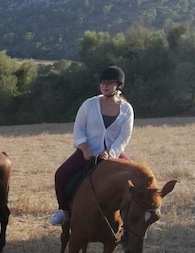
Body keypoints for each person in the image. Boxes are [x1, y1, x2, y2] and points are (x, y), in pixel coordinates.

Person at [48, 65, 134, 226]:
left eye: (109, 83)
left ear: (118, 86)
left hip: (113, 153)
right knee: (60, 175)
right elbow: (79, 129)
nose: (105, 86)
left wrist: (110, 152)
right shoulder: (89, 104)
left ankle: (131, 214)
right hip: (87, 152)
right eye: (103, 83)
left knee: (136, 175)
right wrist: (85, 149)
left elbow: (125, 135)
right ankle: (64, 210)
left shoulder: (126, 109)